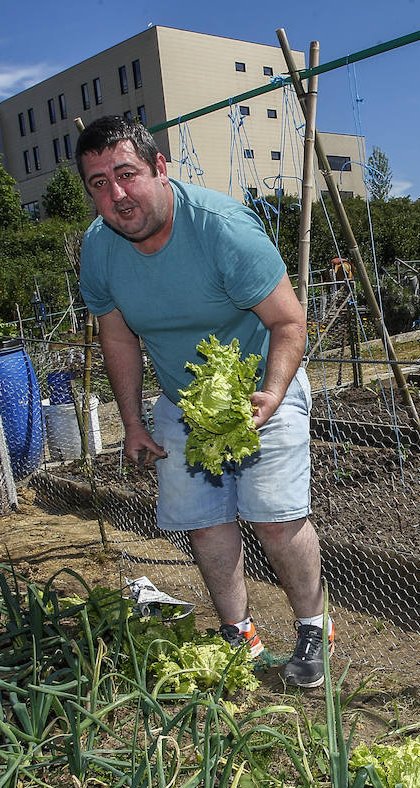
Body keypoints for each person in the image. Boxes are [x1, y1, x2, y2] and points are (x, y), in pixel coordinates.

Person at [75, 115, 331, 688]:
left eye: (127, 174)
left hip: (265, 385)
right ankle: (239, 632)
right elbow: (116, 336)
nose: (116, 196)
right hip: (182, 402)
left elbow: (290, 322)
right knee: (205, 524)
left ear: (159, 168)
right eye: (98, 183)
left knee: (275, 518)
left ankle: (315, 626)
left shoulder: (222, 229)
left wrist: (270, 395)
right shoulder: (100, 249)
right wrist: (133, 422)